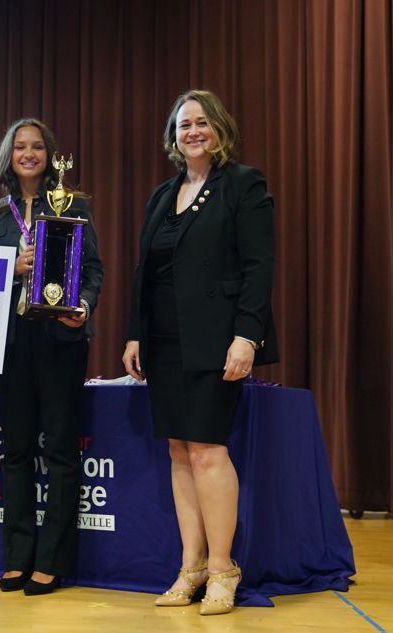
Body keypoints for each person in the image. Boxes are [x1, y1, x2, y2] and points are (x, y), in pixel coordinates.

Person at [122, 90, 278, 615]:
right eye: (184, 124)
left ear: (220, 130)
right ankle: (190, 567)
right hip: (164, 342)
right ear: (173, 136)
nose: (192, 131)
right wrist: (135, 334)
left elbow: (259, 267)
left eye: (202, 123)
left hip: (216, 339)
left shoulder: (242, 184)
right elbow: (146, 272)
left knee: (208, 450)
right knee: (178, 451)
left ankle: (222, 568)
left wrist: (247, 336)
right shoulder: (163, 194)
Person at [0, 118, 103, 596]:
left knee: (60, 450)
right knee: (15, 451)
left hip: (61, 340)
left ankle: (51, 561)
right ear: (8, 156)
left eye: (36, 146)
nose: (28, 153)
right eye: (19, 147)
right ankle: (17, 556)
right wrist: (12, 266)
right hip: (10, 342)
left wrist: (84, 306)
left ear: (50, 154)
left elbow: (93, 268)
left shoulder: (74, 205)